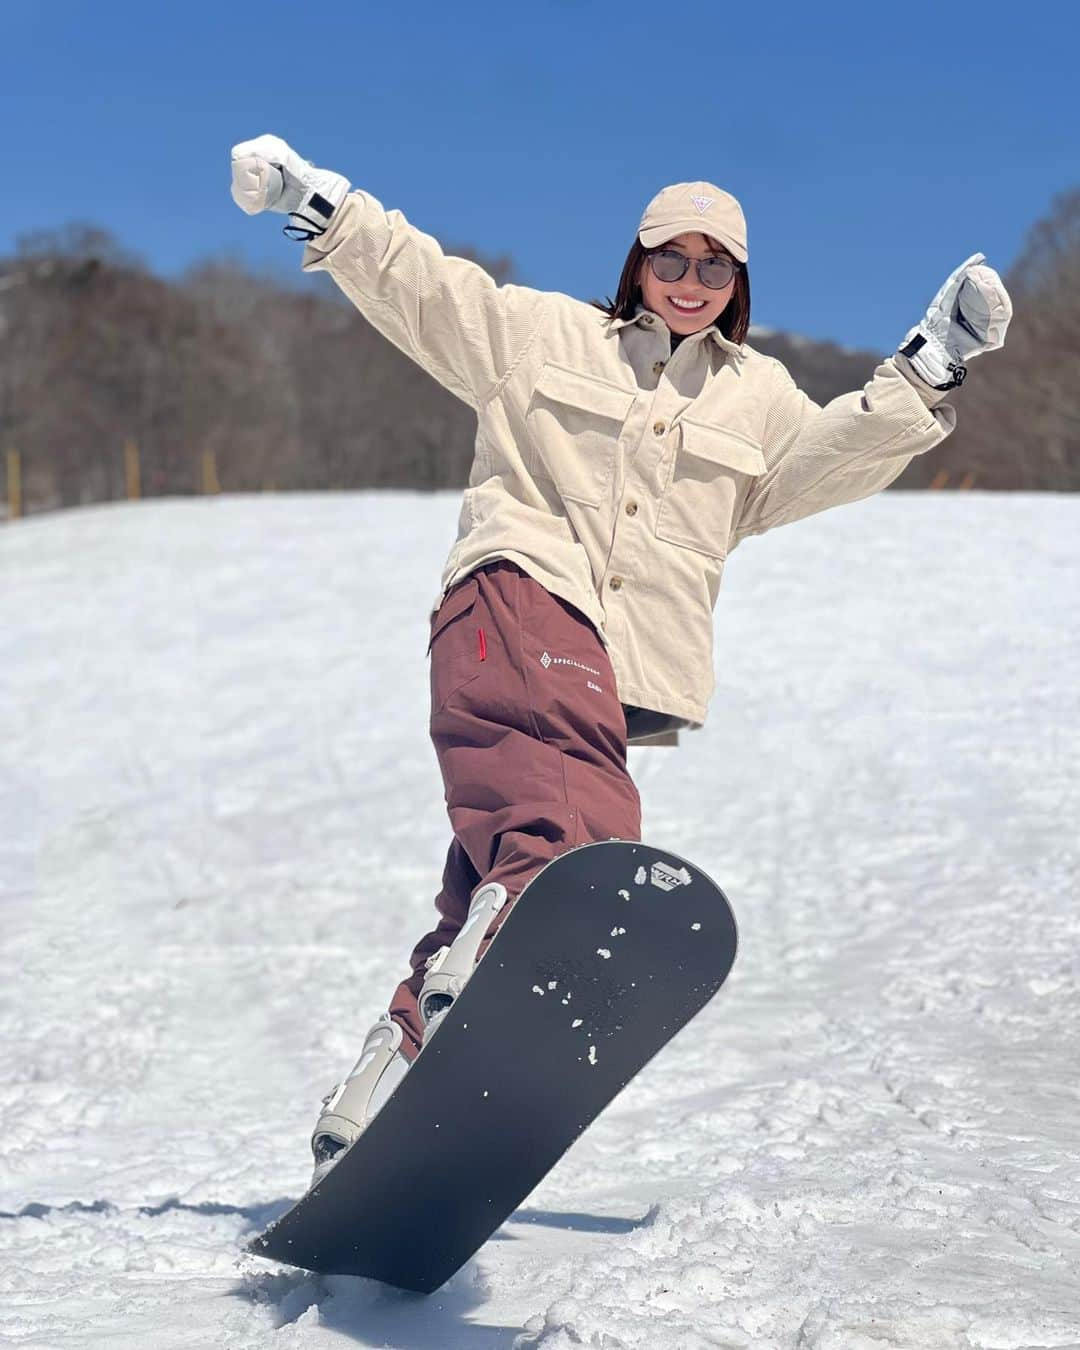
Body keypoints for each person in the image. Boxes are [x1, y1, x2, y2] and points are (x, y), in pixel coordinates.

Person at [229, 135, 1013, 1185]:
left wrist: (928, 366)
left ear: (737, 282)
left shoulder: (760, 400)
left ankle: (381, 1097)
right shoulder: (543, 334)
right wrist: (319, 201)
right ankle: (517, 936)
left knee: (498, 867)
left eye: (713, 266)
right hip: (514, 598)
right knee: (577, 833)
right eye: (669, 259)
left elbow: (827, 459)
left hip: (612, 670)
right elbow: (424, 287)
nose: (689, 283)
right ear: (635, 264)